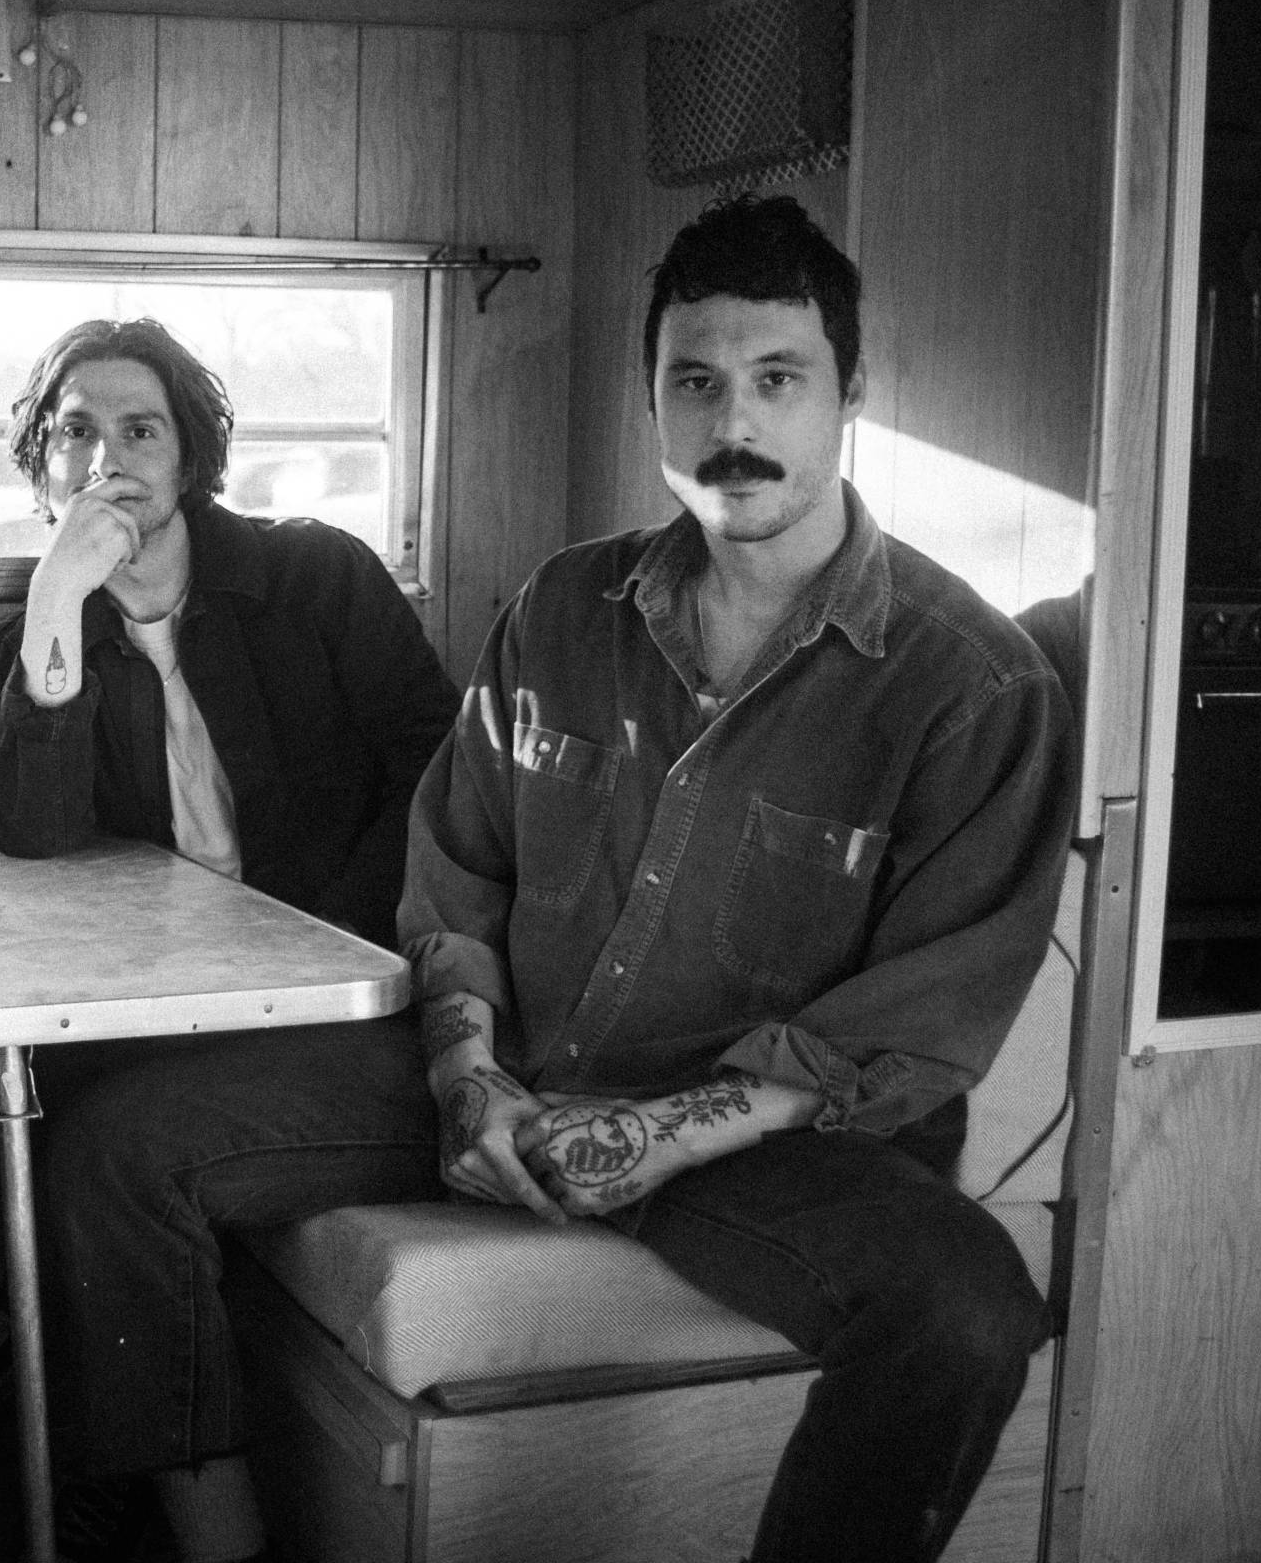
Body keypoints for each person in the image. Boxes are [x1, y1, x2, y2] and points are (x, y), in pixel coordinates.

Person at [403, 194, 1074, 1563]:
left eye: (779, 380)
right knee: (139, 1141)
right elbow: (457, 880)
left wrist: (652, 1139)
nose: (736, 427)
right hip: (528, 1071)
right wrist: (470, 1081)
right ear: (650, 397)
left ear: (852, 393)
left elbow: (913, 1028)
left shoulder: (975, 681)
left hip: (774, 1151)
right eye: (696, 383)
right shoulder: (558, 608)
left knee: (970, 1307)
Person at [0, 318, 459, 1563]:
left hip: (374, 1005)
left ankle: (187, 1520)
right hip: (196, 1010)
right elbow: (32, 832)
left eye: (140, 429)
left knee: (108, 1152)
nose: (108, 458)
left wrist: (317, 945)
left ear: (192, 457)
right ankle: (103, 1458)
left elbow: (439, 775)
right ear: (40, 467)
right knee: (6, 1107)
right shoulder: (40, 629)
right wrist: (53, 599)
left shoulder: (315, 580)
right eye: (74, 431)